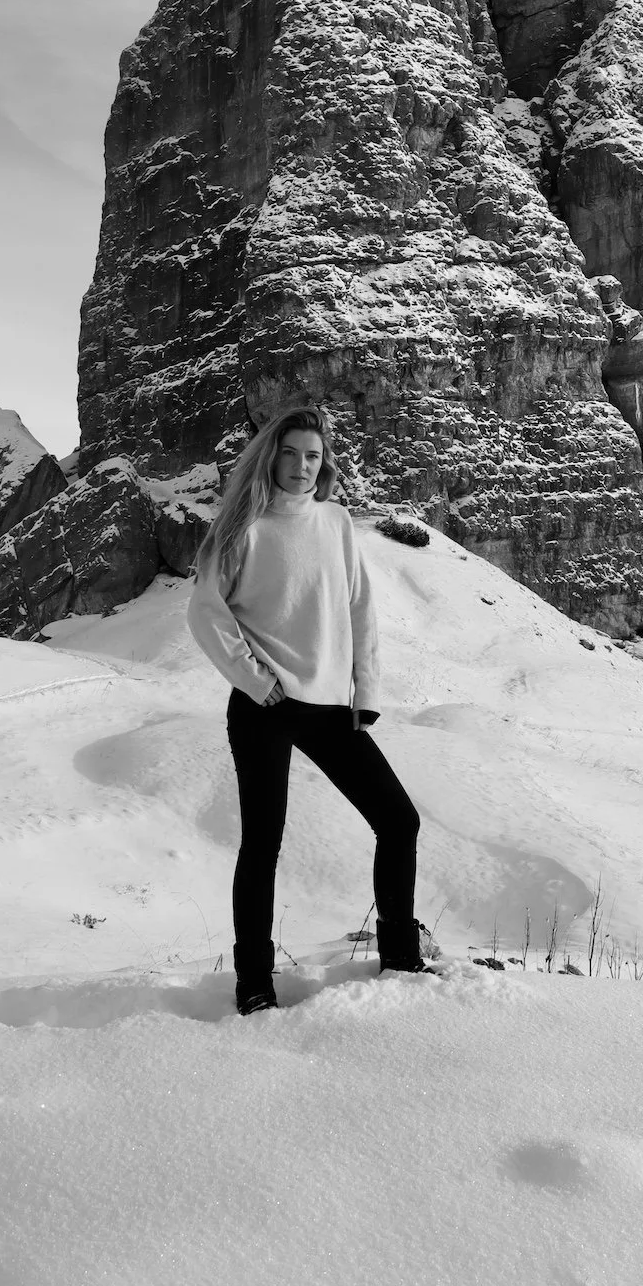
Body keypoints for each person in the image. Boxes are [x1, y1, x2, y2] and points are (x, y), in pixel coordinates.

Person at [188, 403, 426, 1014]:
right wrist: (253, 678)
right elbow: (207, 614)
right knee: (262, 844)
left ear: (325, 465)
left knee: (398, 821)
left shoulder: (336, 522)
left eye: (312, 456)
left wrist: (364, 694)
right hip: (264, 705)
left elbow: (361, 608)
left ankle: (401, 957)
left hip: (328, 707)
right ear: (271, 457)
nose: (301, 466)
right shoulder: (242, 528)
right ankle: (254, 984)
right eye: (290, 453)